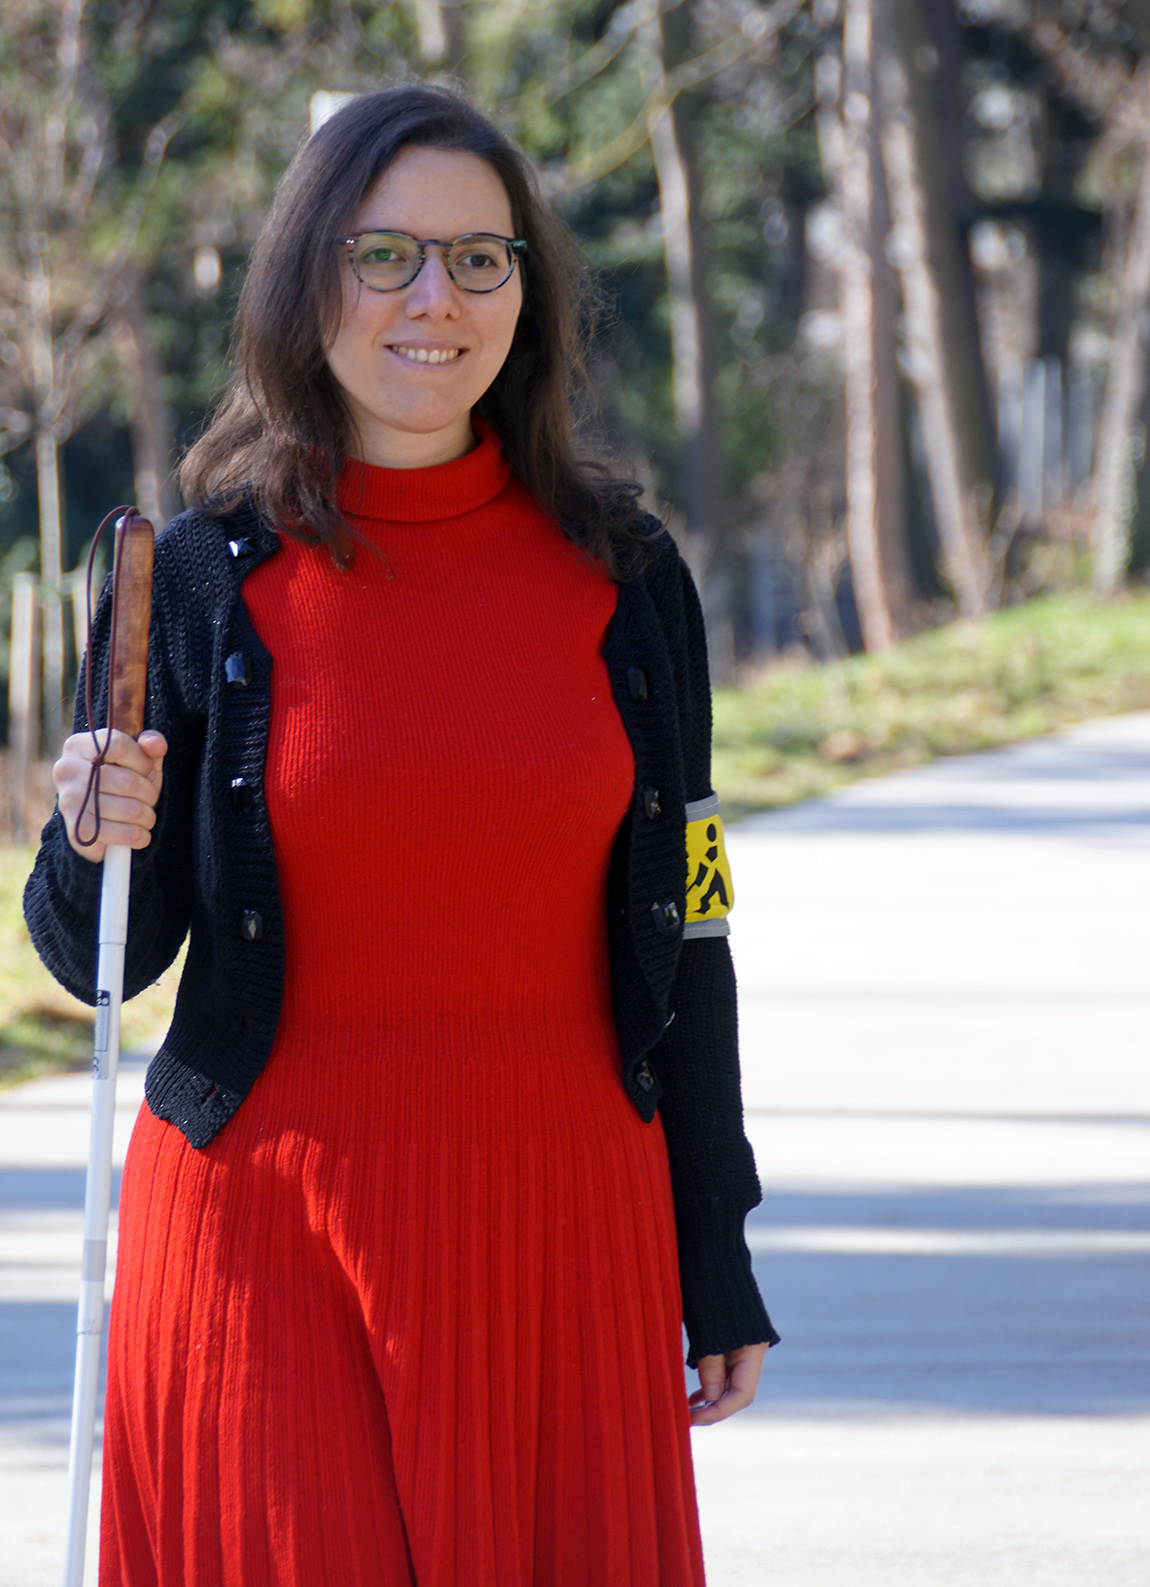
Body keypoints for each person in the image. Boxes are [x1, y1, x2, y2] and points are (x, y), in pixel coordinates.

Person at [25, 82, 778, 1587]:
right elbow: (99, 958)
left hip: (558, 1240)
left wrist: (716, 1254)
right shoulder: (188, 582)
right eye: (384, 256)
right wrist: (87, 831)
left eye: (479, 258)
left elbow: (690, 924)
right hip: (260, 1247)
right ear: (309, 282)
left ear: (527, 292)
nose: (434, 299)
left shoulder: (629, 581)